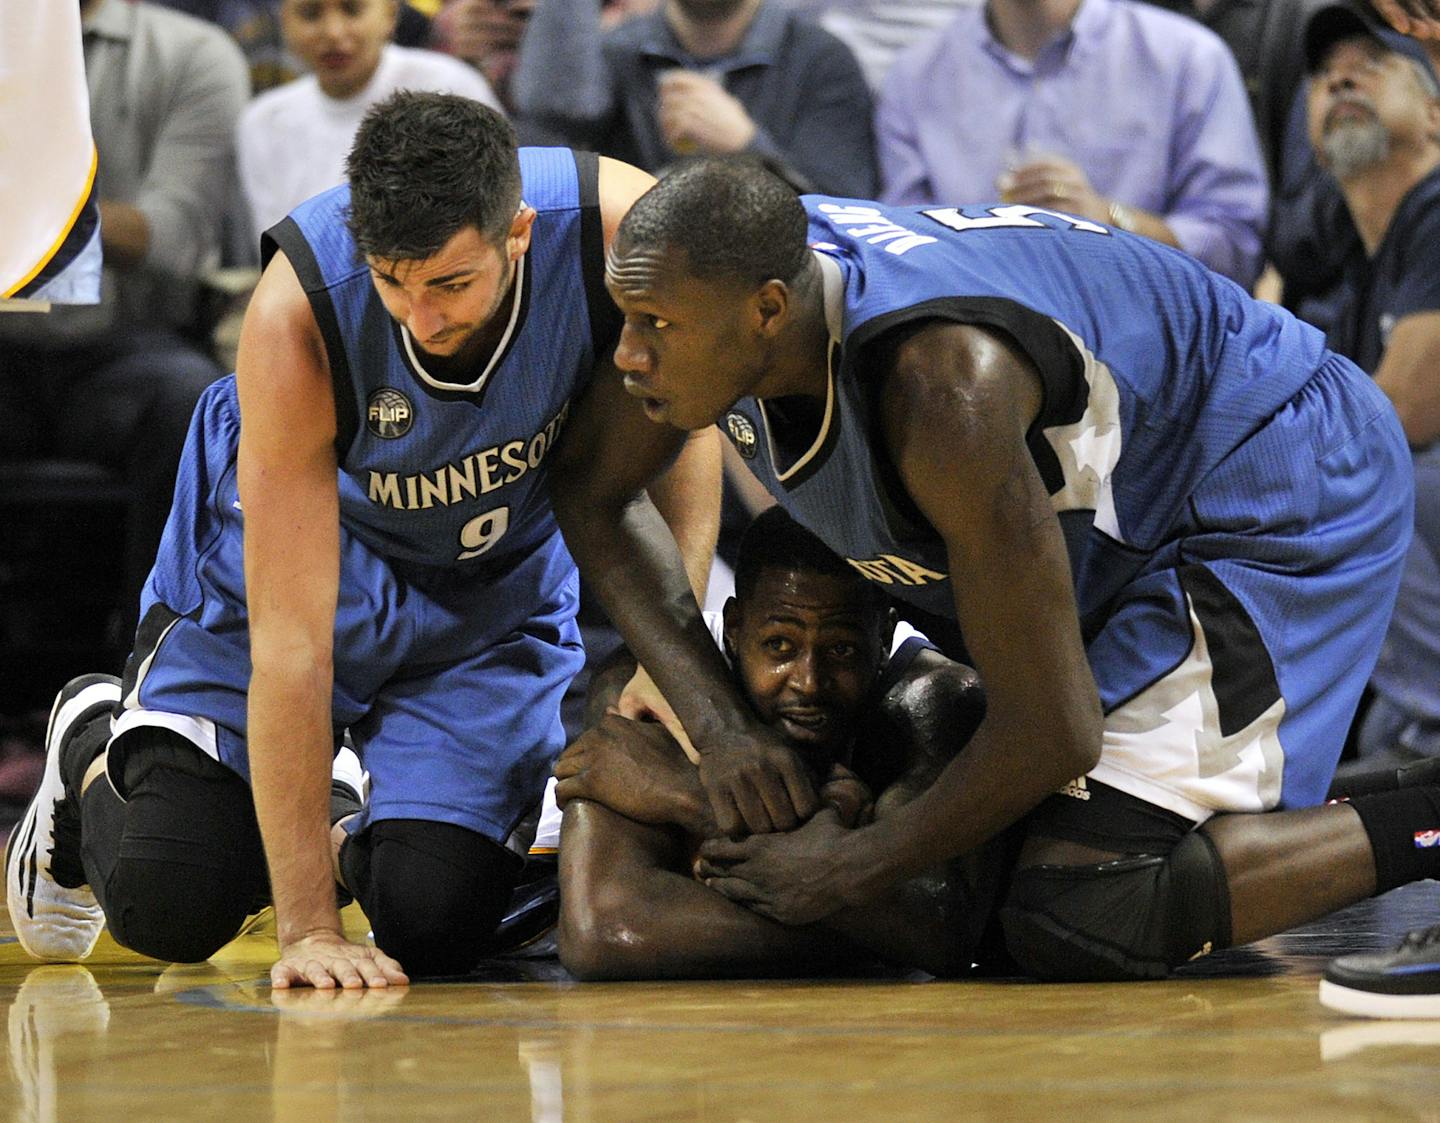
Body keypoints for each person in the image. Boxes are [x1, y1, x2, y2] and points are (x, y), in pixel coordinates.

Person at [545, 158, 1435, 984]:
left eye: (653, 326)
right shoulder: (735, 282)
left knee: (1086, 905)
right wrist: (722, 723)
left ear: (769, 311)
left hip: (1275, 475)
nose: (625, 354)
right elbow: (592, 488)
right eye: (626, 319)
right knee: (1014, 856)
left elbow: (1052, 731)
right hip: (1139, 498)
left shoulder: (942, 392)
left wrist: (848, 867)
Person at [5, 92, 720, 989]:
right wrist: (307, 930)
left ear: (520, 233)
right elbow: (294, 646)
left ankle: (339, 799)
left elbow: (686, 421)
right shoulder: (296, 315)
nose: (422, 317)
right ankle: (89, 739)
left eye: (451, 284)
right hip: (314, 559)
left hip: (485, 585)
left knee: (436, 921)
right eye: (393, 282)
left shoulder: (621, 229)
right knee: (172, 899)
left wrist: (670, 646)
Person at [550, 506, 999, 979]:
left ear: (884, 635)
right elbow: (602, 930)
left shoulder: (935, 700)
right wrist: (856, 899)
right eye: (780, 646)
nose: (809, 681)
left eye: (841, 649)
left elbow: (939, 927)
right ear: (737, 626)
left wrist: (695, 800)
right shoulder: (646, 682)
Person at [0, 0, 249, 647]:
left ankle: (159, 682)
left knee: (197, 403)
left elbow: (169, 239)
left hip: (126, 349)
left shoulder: (195, 54)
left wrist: (38, 197)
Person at [1303, 0, 1440, 1018]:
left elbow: (1401, 414)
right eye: (1325, 73)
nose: (1342, 79)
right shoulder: (1344, 256)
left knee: (1382, 488)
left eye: (1374, 62)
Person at [873, 0, 1269, 287]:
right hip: (970, 345)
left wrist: (1110, 221)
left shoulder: (1189, 59)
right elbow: (896, 256)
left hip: (1145, 343)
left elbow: (1237, 250)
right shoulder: (913, 77)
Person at [510, 0, 878, 196]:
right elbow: (551, 110)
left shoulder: (821, 59)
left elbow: (845, 211)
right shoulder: (621, 50)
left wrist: (747, 147)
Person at [238, 0, 502, 242]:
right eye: (310, 14)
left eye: (352, 10)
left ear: (390, 14)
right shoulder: (262, 121)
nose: (333, 32)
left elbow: (492, 215)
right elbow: (278, 250)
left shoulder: (449, 87)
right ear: (285, 23)